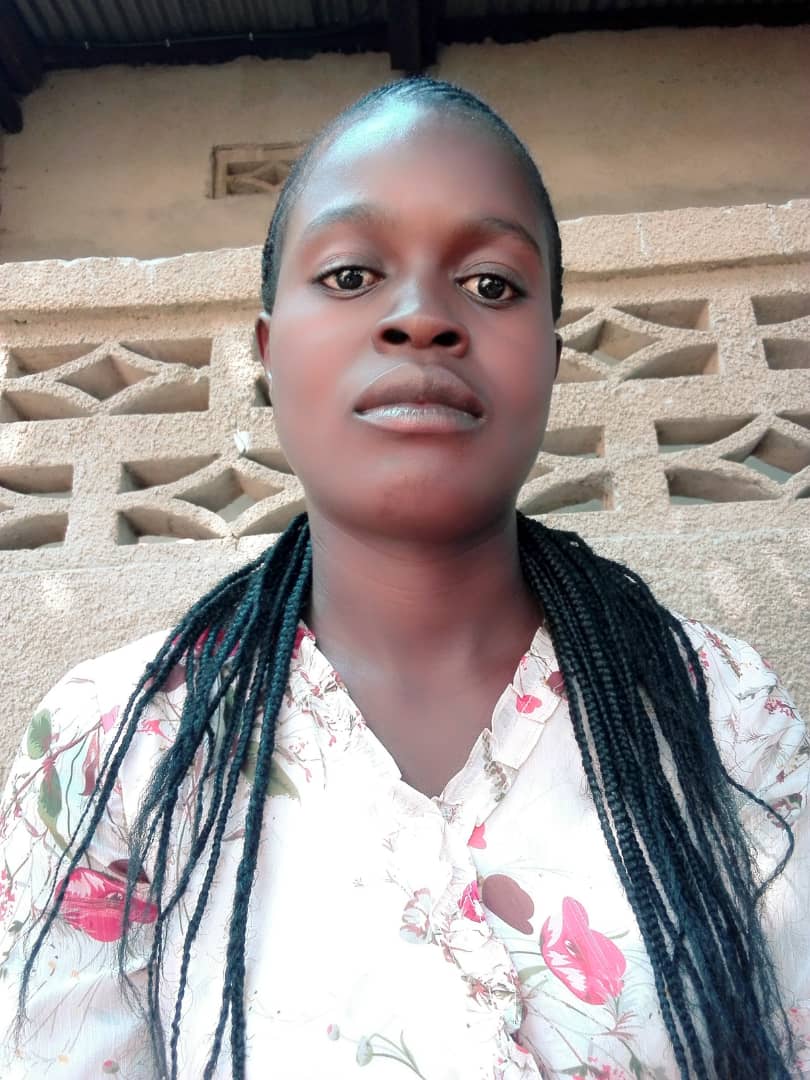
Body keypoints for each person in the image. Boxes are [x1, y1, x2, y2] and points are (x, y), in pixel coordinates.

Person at [0, 77, 807, 1080]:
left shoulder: (725, 715)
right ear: (269, 353)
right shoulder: (113, 745)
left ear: (550, 362)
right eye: (350, 276)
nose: (422, 319)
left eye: (492, 285)